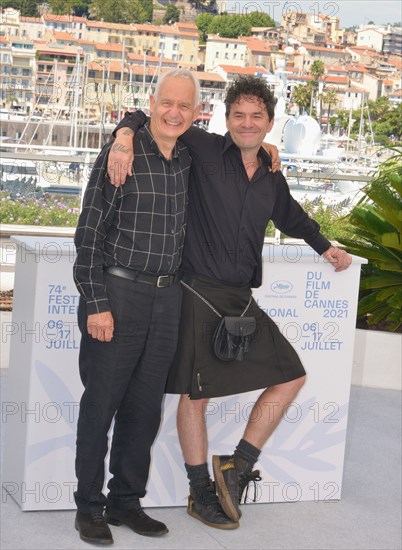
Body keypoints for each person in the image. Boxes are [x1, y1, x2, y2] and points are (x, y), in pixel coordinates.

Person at [107, 75, 352, 530]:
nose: (246, 122)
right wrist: (123, 138)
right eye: (238, 114)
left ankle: (236, 467)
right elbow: (148, 116)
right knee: (195, 395)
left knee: (291, 376)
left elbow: (293, 216)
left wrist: (326, 247)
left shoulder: (271, 174)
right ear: (226, 118)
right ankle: (200, 490)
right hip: (196, 291)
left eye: (256, 116)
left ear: (269, 123)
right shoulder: (201, 148)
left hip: (241, 299)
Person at [72, 68, 201, 545]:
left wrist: (265, 149)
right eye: (167, 102)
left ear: (194, 113)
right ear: (152, 103)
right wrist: (96, 304)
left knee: (145, 411)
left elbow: (241, 144)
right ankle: (88, 507)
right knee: (101, 406)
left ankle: (126, 501)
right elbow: (88, 238)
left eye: (184, 106)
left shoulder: (189, 158)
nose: (174, 112)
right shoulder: (120, 153)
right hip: (117, 295)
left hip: (167, 300)